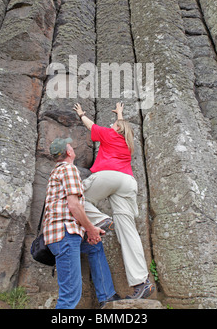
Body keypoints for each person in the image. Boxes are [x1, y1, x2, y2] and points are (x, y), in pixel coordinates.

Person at [73, 102, 155, 300]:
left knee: (77, 198)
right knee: (128, 232)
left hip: (109, 176)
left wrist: (82, 114)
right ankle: (142, 282)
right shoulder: (126, 143)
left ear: (118, 128)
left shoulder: (109, 134)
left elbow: (91, 126)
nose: (112, 124)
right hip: (128, 182)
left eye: (115, 123)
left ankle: (101, 220)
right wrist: (120, 114)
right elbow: (122, 125)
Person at [43, 136, 121, 309]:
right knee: (70, 295)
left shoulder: (55, 172)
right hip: (65, 234)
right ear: (69, 152)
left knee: (94, 246)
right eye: (71, 146)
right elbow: (74, 206)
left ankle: (107, 296)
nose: (73, 148)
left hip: (59, 234)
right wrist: (91, 229)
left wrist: (90, 231)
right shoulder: (69, 170)